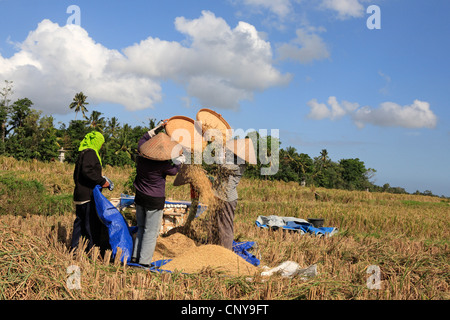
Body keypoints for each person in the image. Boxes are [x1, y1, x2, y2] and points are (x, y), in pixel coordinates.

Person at [131, 121, 186, 267]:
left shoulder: (141, 157)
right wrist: (180, 161)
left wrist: (160, 126)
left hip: (140, 197)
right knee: (151, 232)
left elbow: (144, 138)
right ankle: (144, 262)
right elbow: (174, 171)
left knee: (141, 227)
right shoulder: (163, 165)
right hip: (154, 200)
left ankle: (135, 257)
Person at [71, 131, 113, 254]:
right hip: (87, 195)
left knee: (80, 223)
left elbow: (79, 174)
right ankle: (90, 251)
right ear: (96, 142)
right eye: (101, 143)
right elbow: (87, 171)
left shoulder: (83, 153)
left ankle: (75, 250)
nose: (101, 146)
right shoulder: (90, 153)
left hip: (80, 194)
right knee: (90, 224)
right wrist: (101, 181)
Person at [211, 138, 256, 250]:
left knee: (225, 226)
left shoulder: (238, 166)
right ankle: (215, 248)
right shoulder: (233, 162)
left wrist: (221, 150)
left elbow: (222, 165)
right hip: (219, 196)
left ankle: (226, 252)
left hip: (227, 199)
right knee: (215, 224)